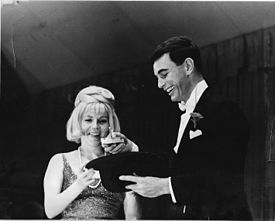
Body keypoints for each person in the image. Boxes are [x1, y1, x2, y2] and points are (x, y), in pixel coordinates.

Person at [119, 36, 252, 219]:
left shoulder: (224, 109)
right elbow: (175, 166)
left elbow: (223, 177)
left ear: (188, 66)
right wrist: (132, 148)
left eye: (164, 75)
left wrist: (165, 186)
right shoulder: (183, 114)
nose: (159, 85)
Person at [43, 85, 141, 219]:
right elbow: (50, 210)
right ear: (78, 123)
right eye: (88, 120)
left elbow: (133, 218)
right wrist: (79, 184)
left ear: (110, 125)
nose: (95, 126)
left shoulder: (120, 163)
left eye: (102, 121)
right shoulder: (59, 160)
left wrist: (132, 190)